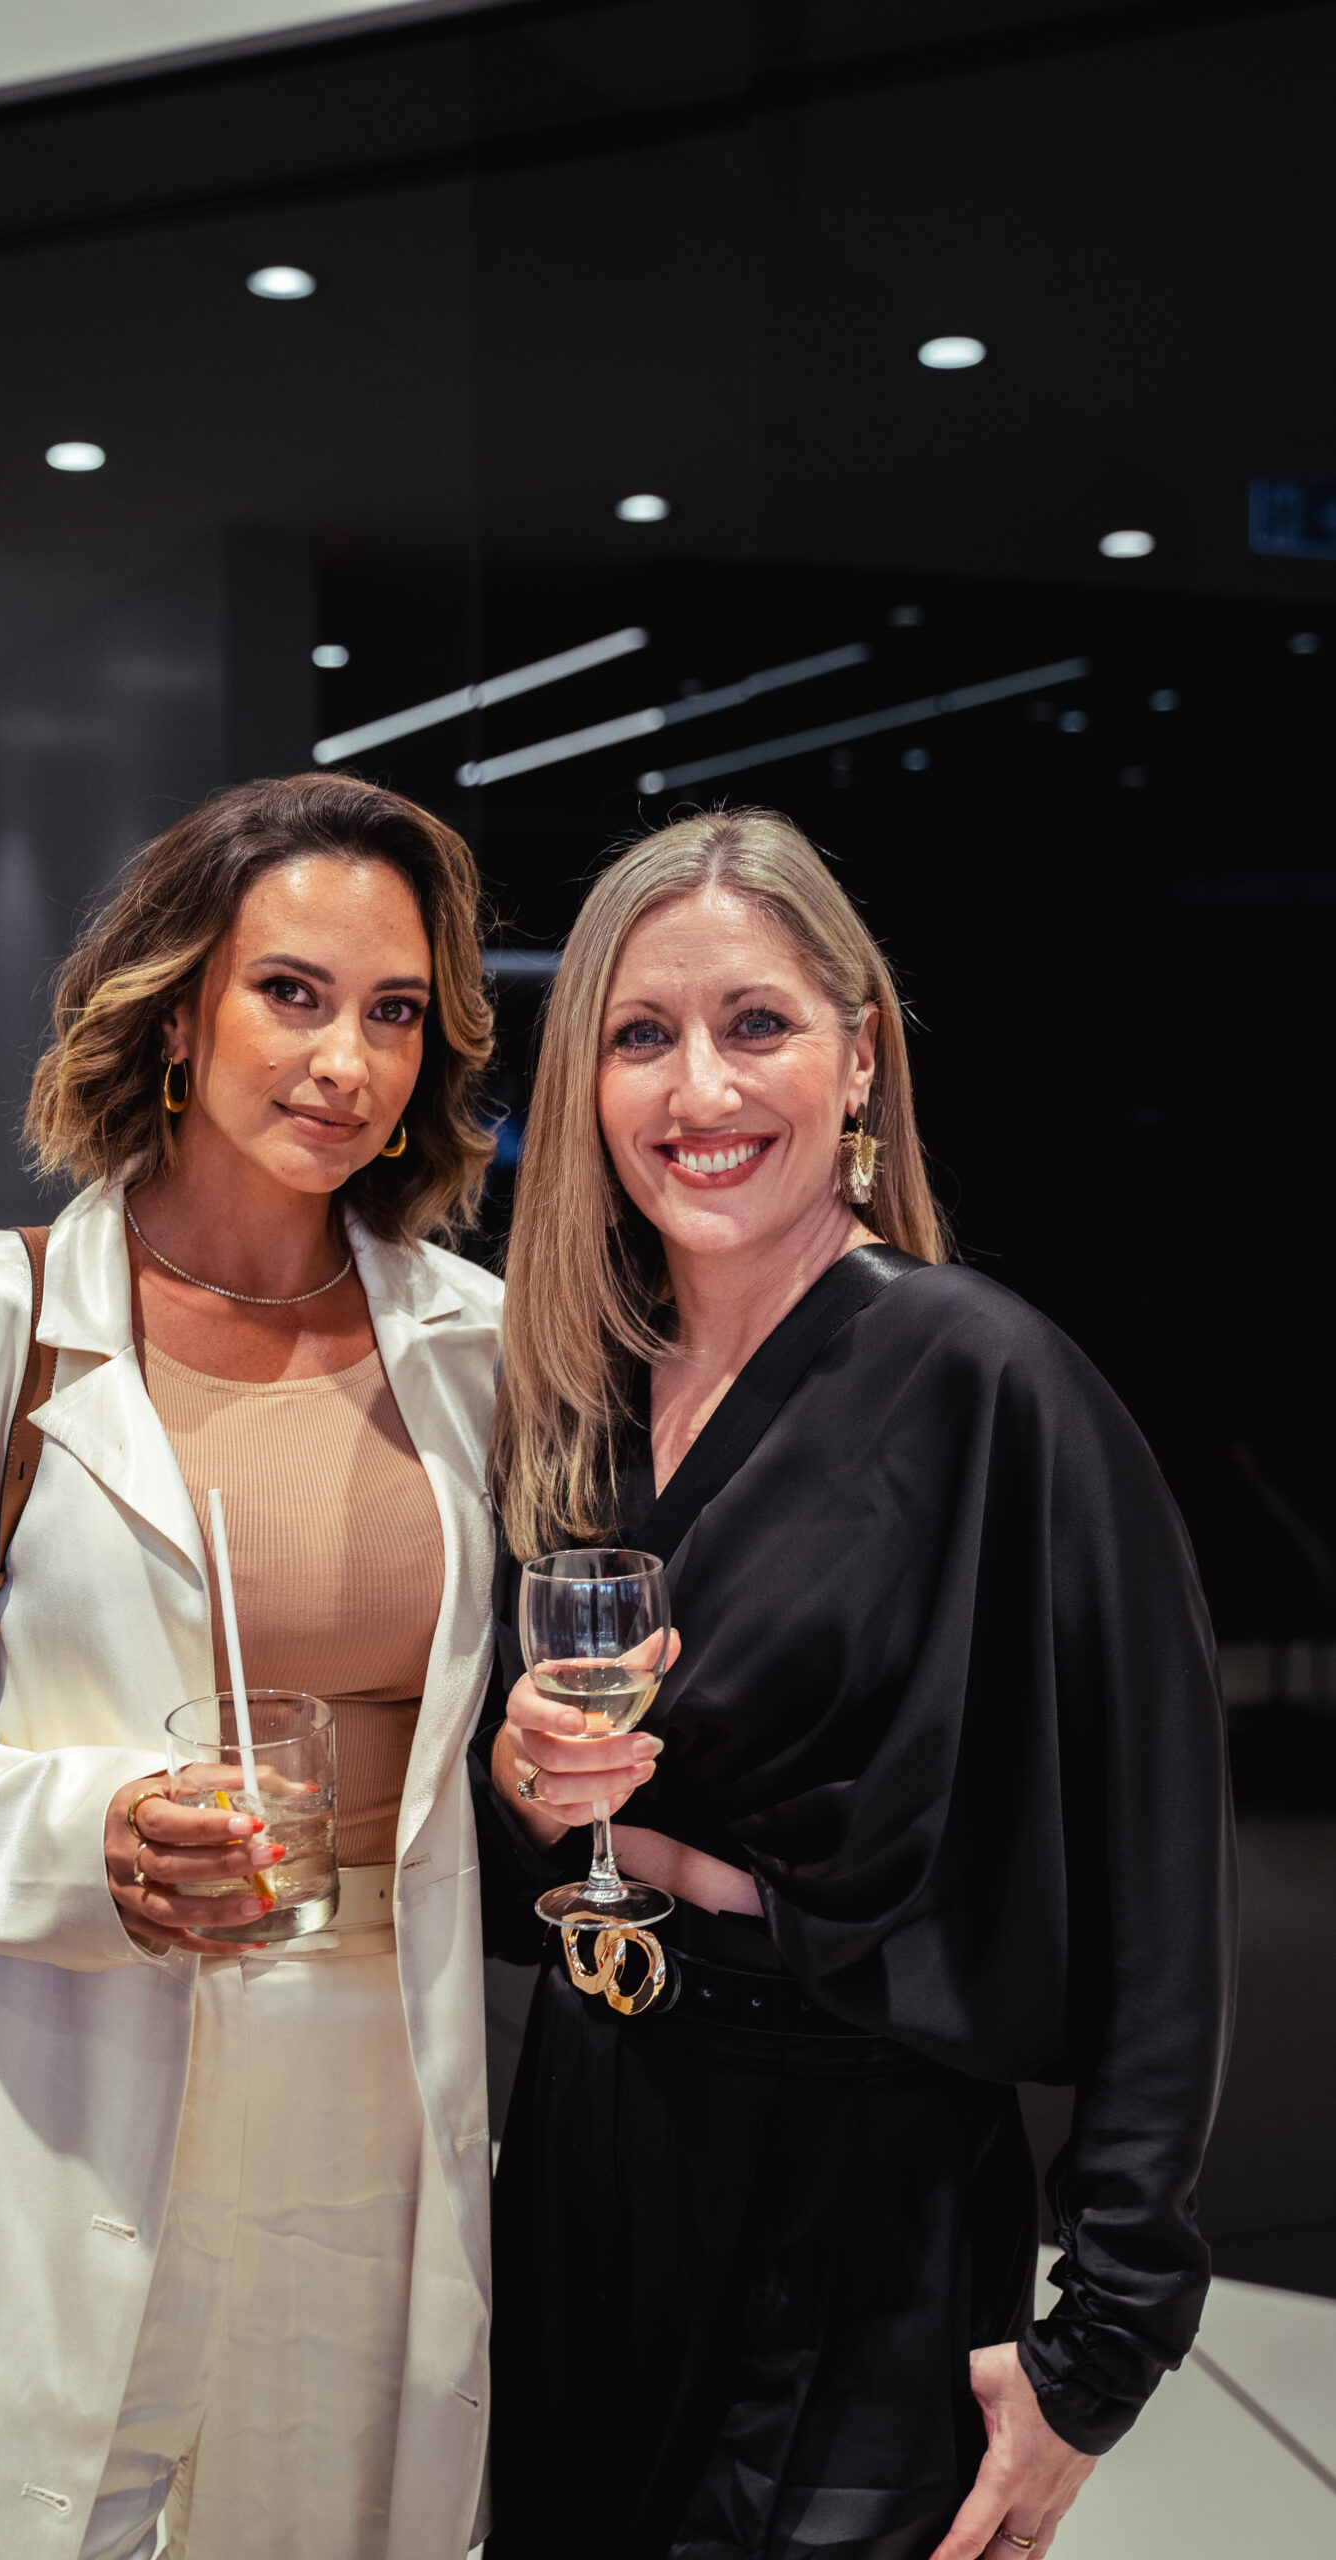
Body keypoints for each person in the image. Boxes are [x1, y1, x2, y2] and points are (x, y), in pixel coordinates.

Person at [0, 772, 504, 2560]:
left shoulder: (481, 1348)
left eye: (396, 1011)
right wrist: (92, 1834)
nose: (348, 1061)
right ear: (174, 1011)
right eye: (291, 994)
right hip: (51, 2069)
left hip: (375, 2090)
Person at [476, 809, 1235, 2560]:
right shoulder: (578, 1391)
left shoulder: (991, 1383)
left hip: (863, 2186)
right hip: (592, 2134)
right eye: (642, 1035)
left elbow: (1163, 1884)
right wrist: (521, 1781)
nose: (701, 1090)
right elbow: (519, 1845)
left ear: (862, 1055)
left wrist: (1106, 2341)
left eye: (757, 1023)